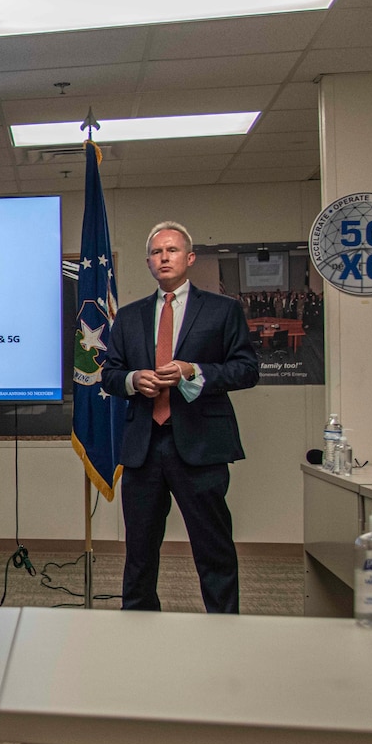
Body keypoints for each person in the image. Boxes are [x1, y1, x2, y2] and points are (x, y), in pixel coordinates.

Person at [103, 221, 259, 613]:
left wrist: (194, 372)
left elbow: (246, 369)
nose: (164, 257)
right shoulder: (129, 317)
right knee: (139, 551)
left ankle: (224, 626)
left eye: (171, 250)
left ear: (189, 258)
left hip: (201, 446)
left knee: (213, 548)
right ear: (148, 263)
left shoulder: (222, 310)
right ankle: (137, 627)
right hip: (143, 447)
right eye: (157, 253)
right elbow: (108, 375)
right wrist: (134, 379)